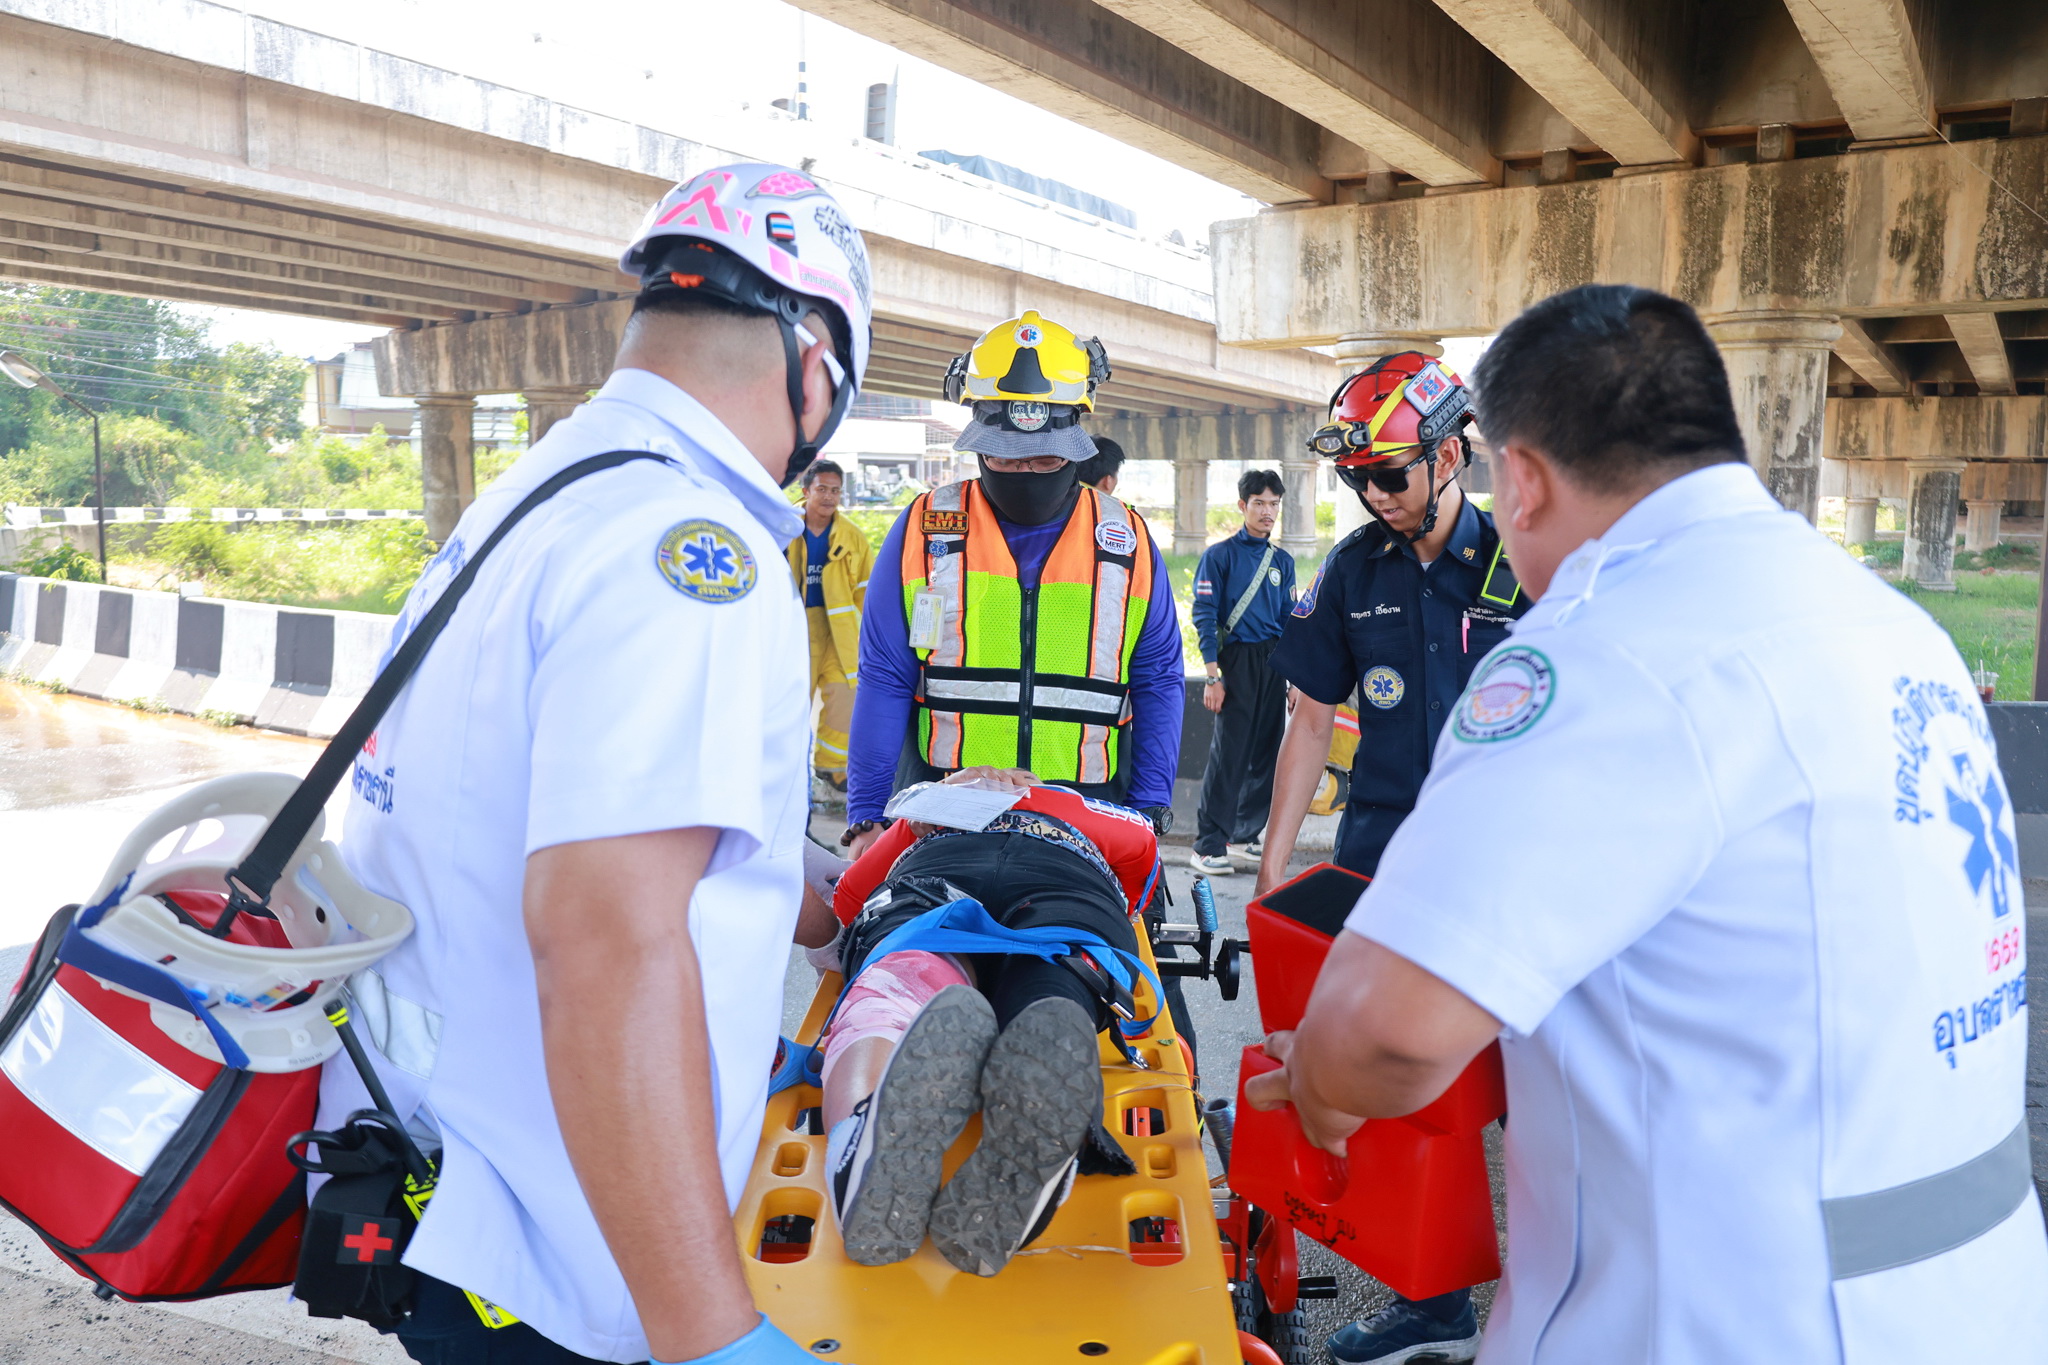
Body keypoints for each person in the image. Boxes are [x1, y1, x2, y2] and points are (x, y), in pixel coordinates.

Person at [1248, 284, 2048, 1364]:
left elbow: (1387, 1030)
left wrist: (1318, 1087)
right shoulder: (1889, 627)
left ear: (1519, 478)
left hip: (1721, 1325)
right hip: (1973, 1302)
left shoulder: (1602, 651)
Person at [317, 163, 871, 1365]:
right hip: (557, 1254)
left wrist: (771, 977)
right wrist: (711, 1335)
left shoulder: (533, 501)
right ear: (815, 365)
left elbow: (548, 810)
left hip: (433, 1185)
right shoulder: (691, 550)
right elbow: (606, 939)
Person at [1254, 351, 1529, 1363]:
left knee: (1528, 1094)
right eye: (1357, 479)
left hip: (1502, 874)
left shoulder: (1519, 569)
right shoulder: (1351, 571)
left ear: (1450, 456)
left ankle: (1552, 1297)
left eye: (1389, 474)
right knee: (1402, 1096)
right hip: (1381, 862)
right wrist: (1275, 858)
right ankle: (1433, 1298)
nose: (1374, 496)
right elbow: (1309, 719)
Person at [842, 310, 1184, 858]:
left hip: (1085, 815)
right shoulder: (924, 529)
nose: (1025, 471)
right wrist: (867, 814)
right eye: (1005, 456)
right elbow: (884, 676)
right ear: (979, 444)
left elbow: (1159, 680)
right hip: (941, 808)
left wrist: (1148, 809)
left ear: (1075, 441)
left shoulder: (1125, 540)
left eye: (1045, 458)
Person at [794, 767, 1162, 1276]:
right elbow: (1142, 859)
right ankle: (1052, 1041)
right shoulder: (1086, 810)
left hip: (934, 872)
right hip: (1065, 877)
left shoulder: (926, 808)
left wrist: (928, 812)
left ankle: (859, 1136)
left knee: (901, 981)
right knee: (1059, 976)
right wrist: (1046, 805)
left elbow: (849, 899)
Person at [1189, 468, 1296, 876]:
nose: (1268, 511)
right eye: (1259, 503)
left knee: (1267, 753)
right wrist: (1213, 676)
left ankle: (1244, 834)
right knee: (1229, 756)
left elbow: (1289, 622)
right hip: (1236, 662)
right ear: (1242, 505)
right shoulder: (1219, 557)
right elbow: (1204, 616)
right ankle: (1208, 843)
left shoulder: (1282, 561)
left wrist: (1293, 679)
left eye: (1274, 504)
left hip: (1273, 662)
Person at [785, 458, 874, 791]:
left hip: (840, 633)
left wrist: (871, 637)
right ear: (806, 490)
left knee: (844, 697)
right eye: (822, 489)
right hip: (795, 631)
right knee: (791, 702)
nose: (829, 497)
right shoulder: (784, 529)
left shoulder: (852, 537)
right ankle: (787, 770)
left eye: (835, 491)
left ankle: (832, 769)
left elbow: (866, 591)